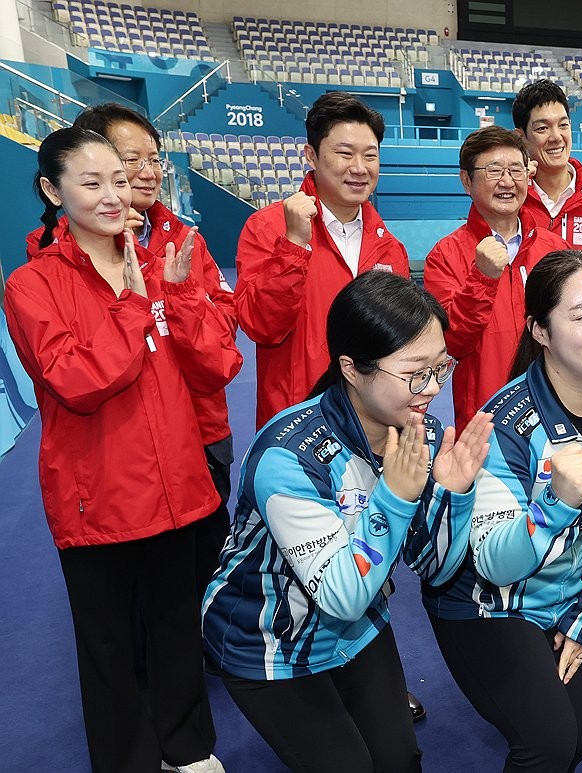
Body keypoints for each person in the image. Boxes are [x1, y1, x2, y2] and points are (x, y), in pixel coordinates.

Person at [5, 127, 235, 773]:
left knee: (175, 629)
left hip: (175, 487)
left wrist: (182, 295)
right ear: (52, 190)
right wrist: (136, 304)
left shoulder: (162, 260)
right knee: (107, 645)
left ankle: (186, 746)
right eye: (91, 182)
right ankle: (127, 758)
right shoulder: (32, 285)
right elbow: (78, 381)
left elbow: (216, 365)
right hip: (96, 498)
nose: (113, 195)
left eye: (118, 178)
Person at [202, 271, 493, 772]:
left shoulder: (418, 432)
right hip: (266, 640)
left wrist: (454, 493)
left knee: (400, 761)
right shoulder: (289, 456)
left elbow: (437, 568)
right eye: (415, 373)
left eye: (440, 368)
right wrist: (397, 499)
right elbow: (341, 593)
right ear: (352, 369)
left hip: (358, 628)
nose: (432, 390)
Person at [423, 251, 582, 772]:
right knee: (548, 743)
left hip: (565, 595)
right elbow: (493, 565)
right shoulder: (504, 424)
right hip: (484, 602)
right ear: (540, 332)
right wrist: (556, 503)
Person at [26, 102, 239, 594]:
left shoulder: (182, 239)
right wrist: (138, 309)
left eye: (153, 158)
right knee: (130, 608)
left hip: (199, 431)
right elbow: (76, 370)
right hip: (117, 456)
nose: (145, 173)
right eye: (127, 163)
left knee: (200, 574)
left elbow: (223, 332)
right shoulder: (47, 263)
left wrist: (186, 308)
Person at [235, 91, 410, 430]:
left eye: (370, 156)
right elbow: (260, 326)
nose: (359, 168)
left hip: (373, 424)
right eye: (344, 153)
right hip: (297, 422)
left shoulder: (390, 248)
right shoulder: (268, 228)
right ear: (311, 156)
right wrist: (295, 247)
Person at [424, 125, 571, 423]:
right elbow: (452, 344)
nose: (507, 181)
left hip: (556, 408)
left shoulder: (554, 247)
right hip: (485, 418)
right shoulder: (445, 256)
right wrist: (482, 278)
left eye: (516, 170)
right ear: (467, 180)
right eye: (494, 171)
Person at [513, 79, 582, 247]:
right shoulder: (510, 202)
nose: (556, 137)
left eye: (563, 125)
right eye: (542, 128)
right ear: (521, 137)